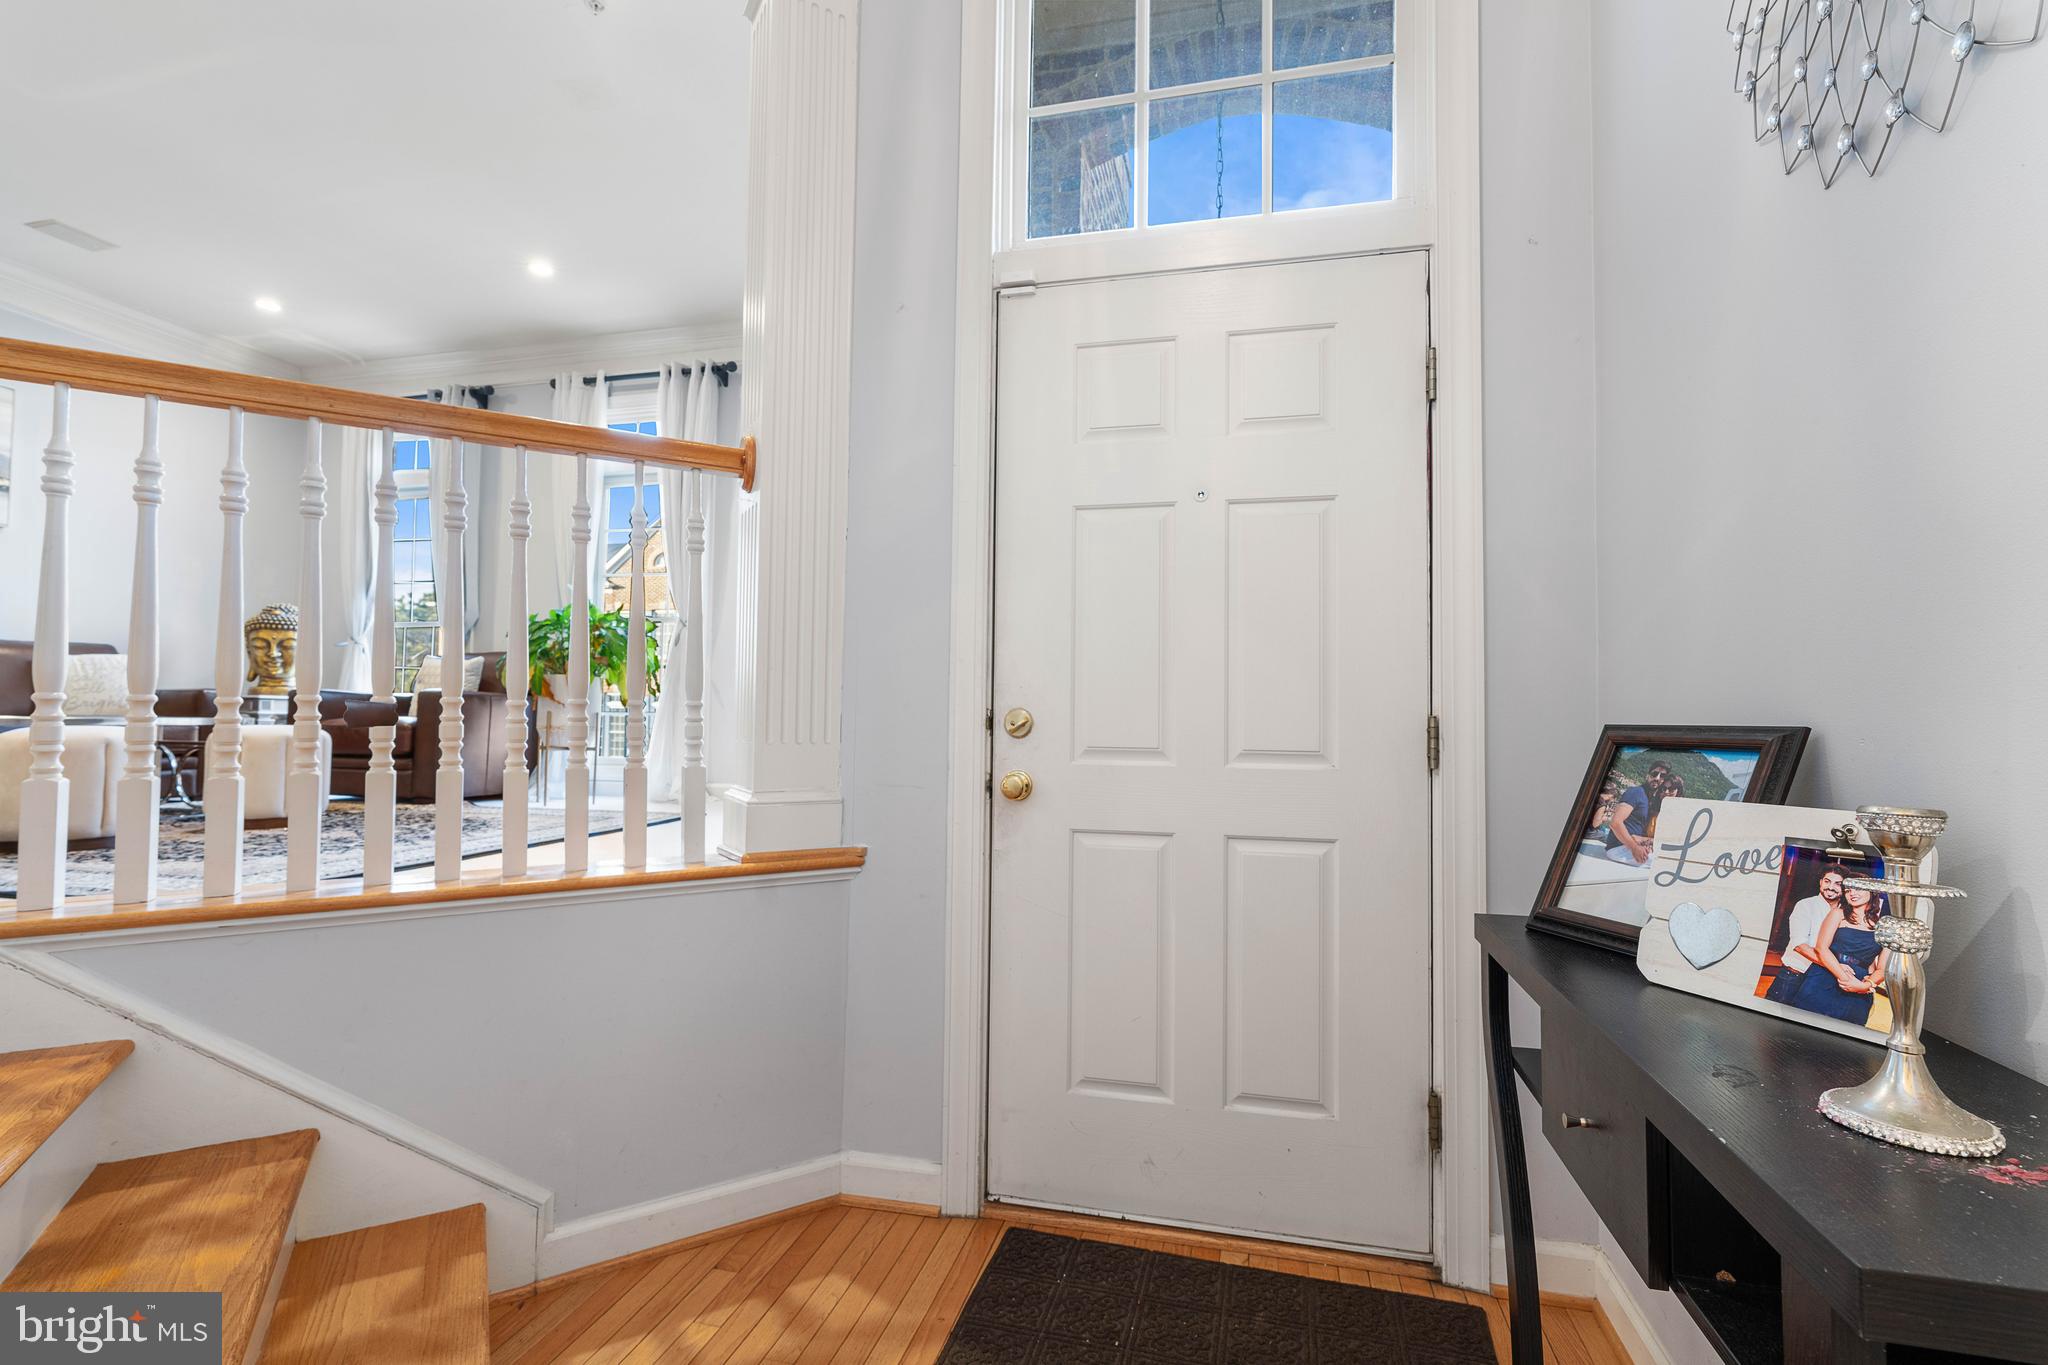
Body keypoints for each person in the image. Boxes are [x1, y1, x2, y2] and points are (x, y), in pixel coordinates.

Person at [1785, 883, 1889, 1026]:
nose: (1852, 893)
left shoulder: (1884, 927)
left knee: (1846, 1032)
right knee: (1804, 1025)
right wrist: (1845, 978)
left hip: (1859, 987)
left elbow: (1882, 969)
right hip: (1825, 977)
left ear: (1872, 891)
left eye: (1858, 888)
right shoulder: (1838, 914)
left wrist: (1865, 985)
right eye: (1848, 890)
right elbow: (1822, 948)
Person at [1765, 867, 1845, 1003]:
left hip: (1822, 979)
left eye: (1838, 884)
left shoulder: (1845, 912)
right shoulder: (1806, 905)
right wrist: (1835, 966)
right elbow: (1799, 946)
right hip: (1793, 977)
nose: (1831, 887)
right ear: (1820, 882)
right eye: (1827, 881)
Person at [1602, 761, 1674, 867]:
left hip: (1629, 846)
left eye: (1662, 776)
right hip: (1619, 848)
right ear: (1647, 775)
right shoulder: (1635, 792)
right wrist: (1634, 848)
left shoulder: (1649, 798)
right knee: (1667, 864)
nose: (1657, 778)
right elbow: (1615, 823)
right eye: (1654, 774)